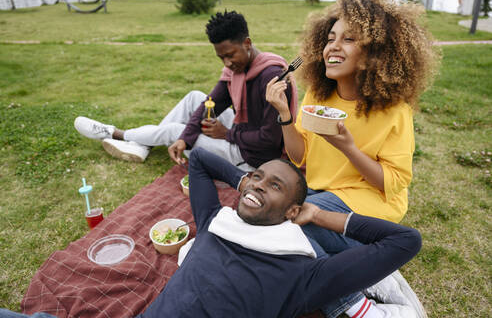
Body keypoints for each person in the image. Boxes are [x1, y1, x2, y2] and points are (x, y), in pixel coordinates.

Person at [0, 147, 423, 318]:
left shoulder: (305, 273)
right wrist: (249, 187)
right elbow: (200, 159)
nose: (258, 184)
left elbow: (405, 241)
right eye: (256, 177)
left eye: (274, 185)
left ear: (293, 209)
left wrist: (317, 215)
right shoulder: (214, 223)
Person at [265, 0, 438, 317]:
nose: (333, 46)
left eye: (348, 39)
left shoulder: (394, 110)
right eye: (330, 38)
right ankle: (373, 275)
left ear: (374, 53)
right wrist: (283, 114)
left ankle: (357, 306)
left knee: (288, 224)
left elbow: (394, 182)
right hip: (324, 195)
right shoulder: (318, 93)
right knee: (284, 218)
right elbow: (299, 156)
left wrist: (348, 149)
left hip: (372, 206)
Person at [74, 10, 296, 171]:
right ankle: (142, 145)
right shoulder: (238, 70)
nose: (227, 63)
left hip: (252, 157)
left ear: (247, 43)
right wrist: (188, 138)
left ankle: (115, 133)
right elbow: (211, 102)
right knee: (195, 99)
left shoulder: (271, 78)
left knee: (174, 131)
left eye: (230, 55)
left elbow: (270, 140)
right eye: (221, 57)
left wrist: (226, 134)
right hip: (243, 131)